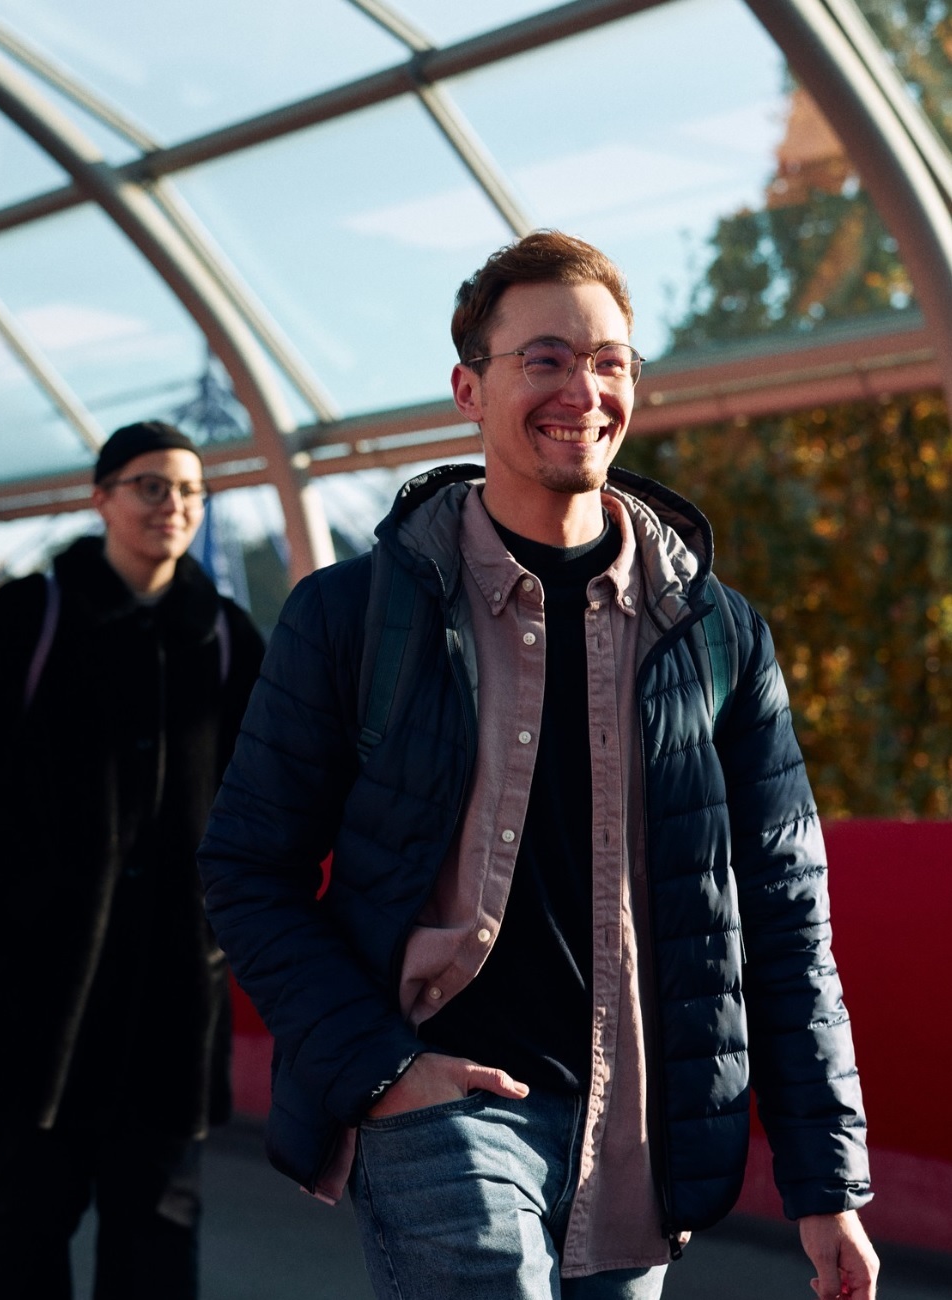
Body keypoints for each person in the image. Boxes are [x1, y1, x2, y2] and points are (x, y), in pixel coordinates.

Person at [198, 232, 878, 1300]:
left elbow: (783, 911)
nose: (583, 389)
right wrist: (384, 1069)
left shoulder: (712, 632)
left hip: (632, 1136)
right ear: (468, 389)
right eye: (545, 359)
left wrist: (824, 1182)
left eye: (609, 361)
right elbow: (245, 865)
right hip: (438, 1108)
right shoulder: (354, 615)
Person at [0, 421, 265, 1300]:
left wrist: (222, 926)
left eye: (188, 490)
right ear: (101, 497)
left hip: (175, 988)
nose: (172, 506)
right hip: (43, 987)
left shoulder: (224, 636)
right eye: (150, 486)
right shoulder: (29, 616)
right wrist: (8, 913)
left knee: (160, 1218)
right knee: (31, 1208)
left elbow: (269, 797)